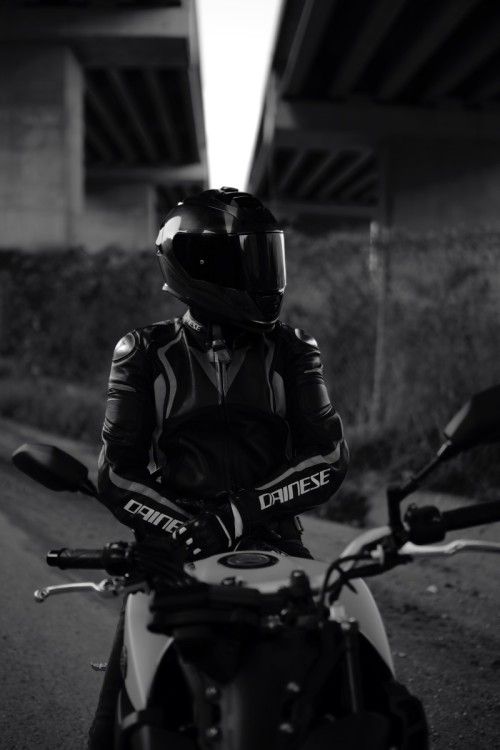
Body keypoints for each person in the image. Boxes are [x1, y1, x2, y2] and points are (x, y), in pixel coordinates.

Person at [88, 187, 349, 748]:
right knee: (121, 718)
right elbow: (114, 474)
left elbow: (329, 458)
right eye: (248, 259)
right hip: (170, 554)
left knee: (342, 671)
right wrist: (186, 528)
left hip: (274, 544)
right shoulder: (144, 351)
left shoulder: (293, 348)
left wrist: (235, 517)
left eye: (267, 255)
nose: (264, 274)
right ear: (197, 266)